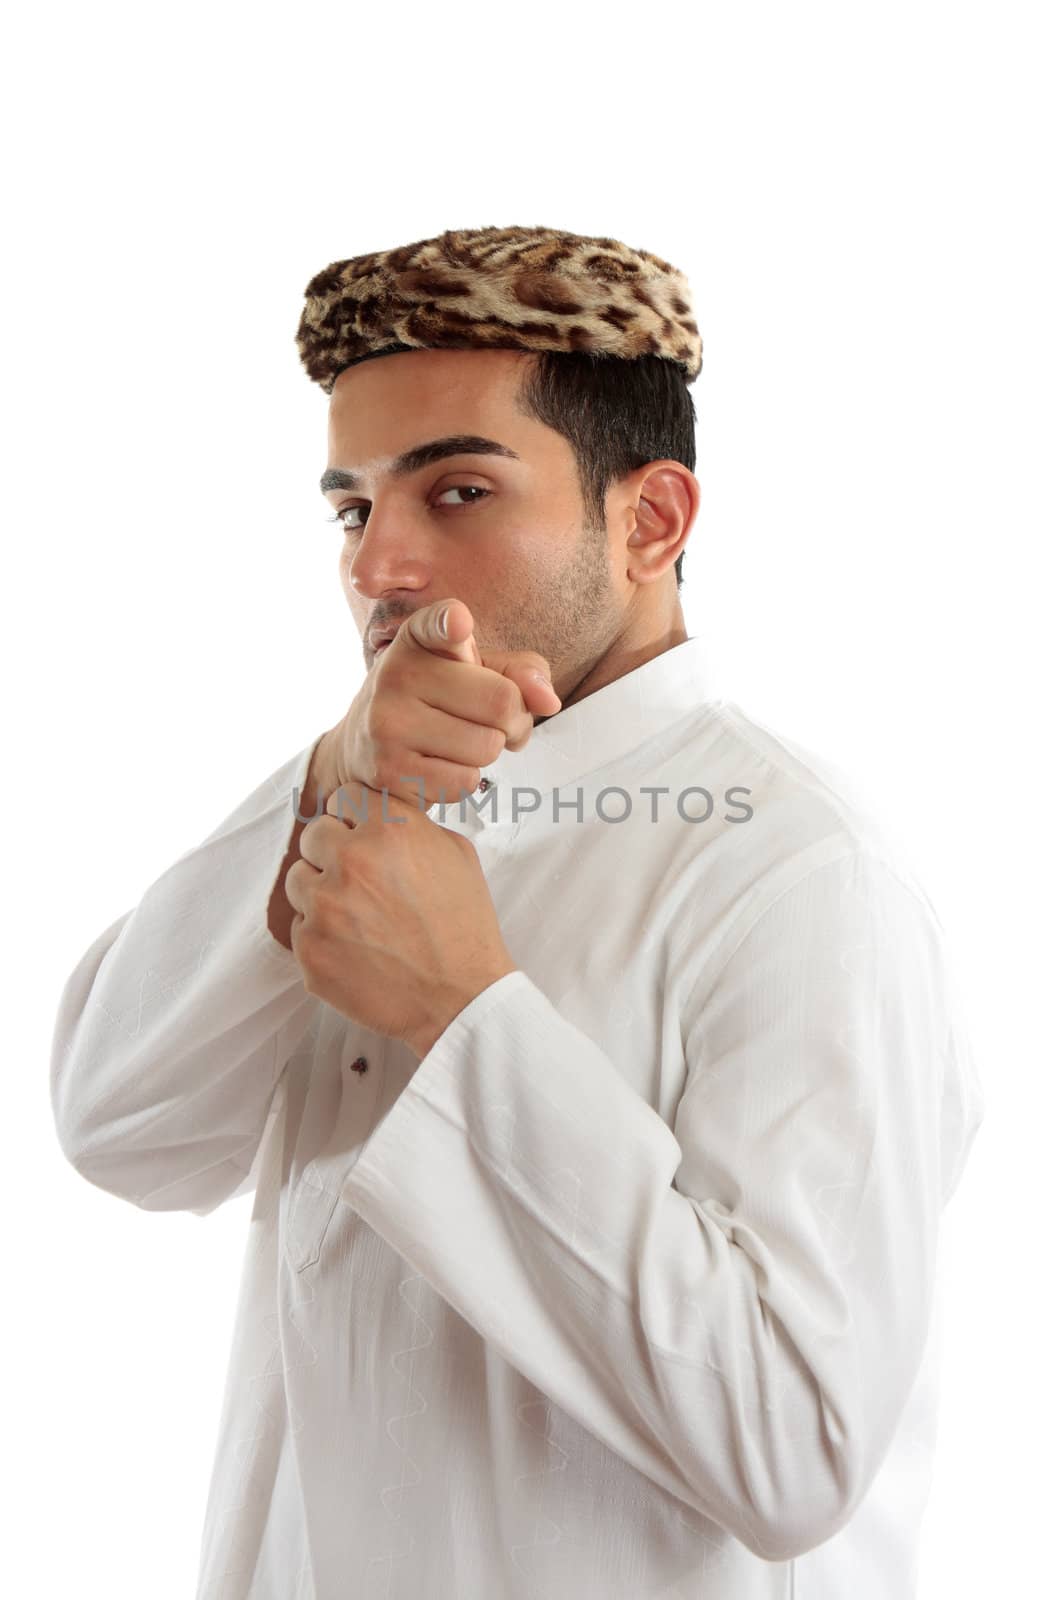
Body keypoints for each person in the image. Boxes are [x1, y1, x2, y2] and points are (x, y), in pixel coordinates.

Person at [50, 223, 985, 1599]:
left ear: (650, 519)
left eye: (461, 492)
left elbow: (797, 1449)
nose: (380, 569)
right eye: (354, 509)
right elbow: (120, 1135)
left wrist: (462, 1016)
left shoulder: (799, 871)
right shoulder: (368, 799)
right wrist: (328, 778)